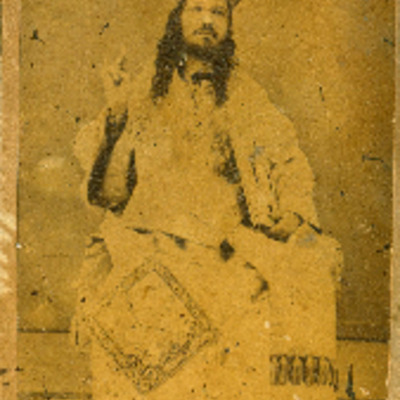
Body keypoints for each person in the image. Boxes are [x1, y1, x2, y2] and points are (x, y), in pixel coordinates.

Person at [73, 0, 342, 398]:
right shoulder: (143, 89)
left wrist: (295, 211)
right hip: (150, 237)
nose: (206, 21)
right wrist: (117, 111)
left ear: (229, 24)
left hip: (224, 241)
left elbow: (287, 156)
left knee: (304, 265)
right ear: (177, 18)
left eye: (218, 12)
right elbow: (109, 194)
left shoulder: (247, 93)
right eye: (196, 8)